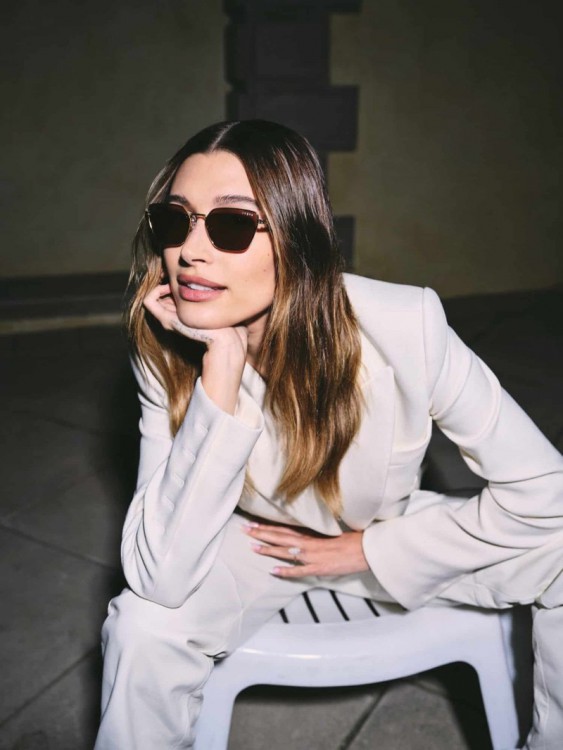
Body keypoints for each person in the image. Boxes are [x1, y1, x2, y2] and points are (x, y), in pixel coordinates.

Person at [94, 119, 563, 749]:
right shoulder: (162, 345)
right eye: (174, 221)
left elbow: (547, 494)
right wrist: (219, 374)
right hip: (260, 545)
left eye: (231, 225)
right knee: (142, 626)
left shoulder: (405, 325)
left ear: (296, 238)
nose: (189, 252)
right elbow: (159, 577)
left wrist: (371, 549)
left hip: (385, 532)